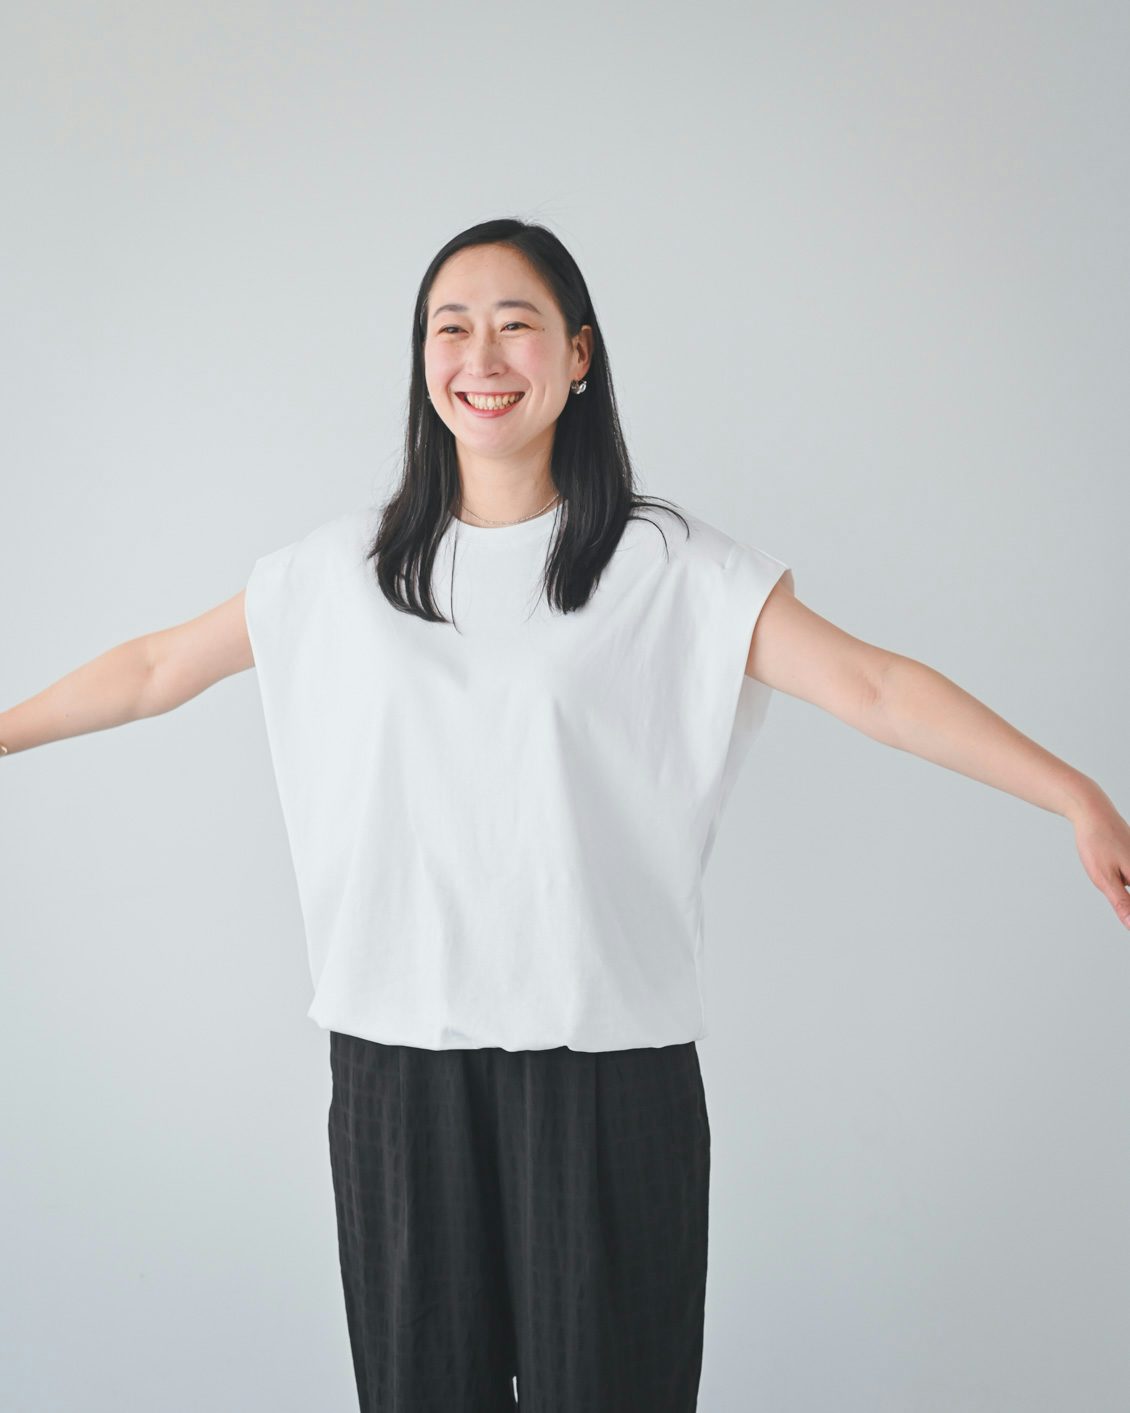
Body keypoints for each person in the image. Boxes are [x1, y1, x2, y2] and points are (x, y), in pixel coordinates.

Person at [3, 217, 1128, 1413]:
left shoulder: (670, 568)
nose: (481, 357)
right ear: (422, 361)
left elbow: (876, 687)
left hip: (605, 1068)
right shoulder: (341, 572)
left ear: (578, 354)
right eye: (451, 328)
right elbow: (151, 670)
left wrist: (1075, 795)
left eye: (516, 324)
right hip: (398, 1065)